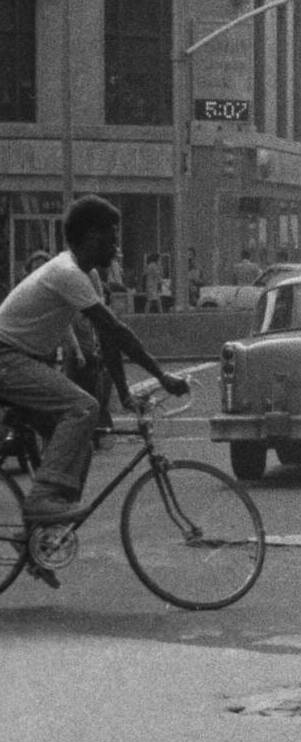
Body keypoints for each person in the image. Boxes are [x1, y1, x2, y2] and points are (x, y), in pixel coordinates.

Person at [0, 196, 191, 521]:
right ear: (91, 237)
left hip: (22, 359)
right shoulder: (67, 272)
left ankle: (47, 527)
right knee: (83, 408)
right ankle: (43, 500)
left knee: (82, 442)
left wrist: (123, 391)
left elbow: (107, 339)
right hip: (7, 357)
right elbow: (116, 330)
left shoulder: (86, 276)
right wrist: (161, 377)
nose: (117, 248)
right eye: (112, 238)